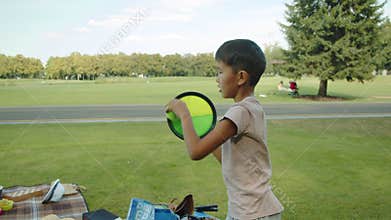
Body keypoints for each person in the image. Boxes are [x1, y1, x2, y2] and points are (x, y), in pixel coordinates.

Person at [166, 39, 283, 220]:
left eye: (220, 72)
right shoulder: (252, 108)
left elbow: (195, 152)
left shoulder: (240, 111)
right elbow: (229, 159)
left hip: (252, 213)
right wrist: (206, 135)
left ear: (241, 77)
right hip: (253, 210)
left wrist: (184, 113)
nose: (217, 78)